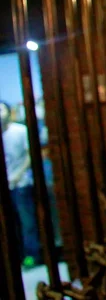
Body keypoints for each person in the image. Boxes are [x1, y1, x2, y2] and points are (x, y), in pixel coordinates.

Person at [1, 100, 42, 269]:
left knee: (27, 221)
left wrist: (18, 174)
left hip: (21, 183)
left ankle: (32, 255)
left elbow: (30, 154)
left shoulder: (20, 131)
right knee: (9, 223)